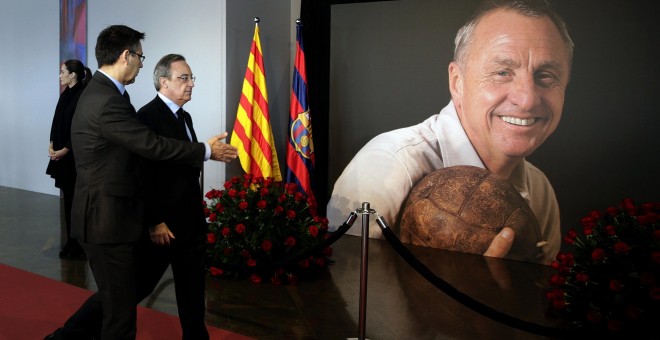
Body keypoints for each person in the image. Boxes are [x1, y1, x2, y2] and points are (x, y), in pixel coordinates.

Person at [326, 0, 573, 265]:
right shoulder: (390, 166)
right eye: (502, 72)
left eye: (546, 76)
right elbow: (347, 298)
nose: (527, 99)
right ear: (457, 82)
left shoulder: (540, 190)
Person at [44, 25, 237, 340]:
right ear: (126, 55)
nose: (142, 64)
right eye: (140, 56)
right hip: (107, 219)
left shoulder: (109, 94)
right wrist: (205, 151)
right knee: (120, 315)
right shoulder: (107, 100)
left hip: (121, 218)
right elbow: (150, 148)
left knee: (119, 305)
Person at [132, 54, 210, 339]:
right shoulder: (146, 117)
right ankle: (76, 331)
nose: (191, 84)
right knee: (136, 288)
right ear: (164, 82)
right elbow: (140, 175)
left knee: (192, 290)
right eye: (184, 78)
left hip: (189, 222)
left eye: (191, 78)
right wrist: (155, 221)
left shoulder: (184, 116)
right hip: (163, 227)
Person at [46, 59, 92, 259]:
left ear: (73, 74)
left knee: (76, 203)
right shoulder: (66, 94)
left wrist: (66, 149)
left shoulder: (82, 96)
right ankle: (72, 242)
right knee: (69, 201)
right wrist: (51, 144)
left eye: (63, 72)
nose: (60, 75)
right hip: (63, 157)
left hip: (74, 159)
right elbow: (57, 121)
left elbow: (81, 128)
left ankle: (79, 245)